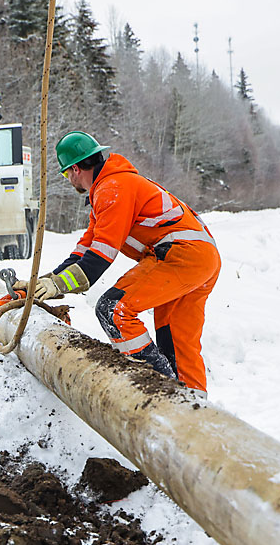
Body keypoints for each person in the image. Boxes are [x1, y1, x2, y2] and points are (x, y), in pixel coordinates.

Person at [15, 131, 220, 394]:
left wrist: (57, 286)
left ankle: (161, 389)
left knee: (113, 309)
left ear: (75, 169)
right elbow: (84, 250)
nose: (69, 180)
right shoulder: (113, 187)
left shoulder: (112, 189)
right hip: (201, 259)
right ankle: (194, 408)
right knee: (177, 343)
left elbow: (99, 258)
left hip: (181, 256)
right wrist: (45, 282)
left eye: (66, 174)